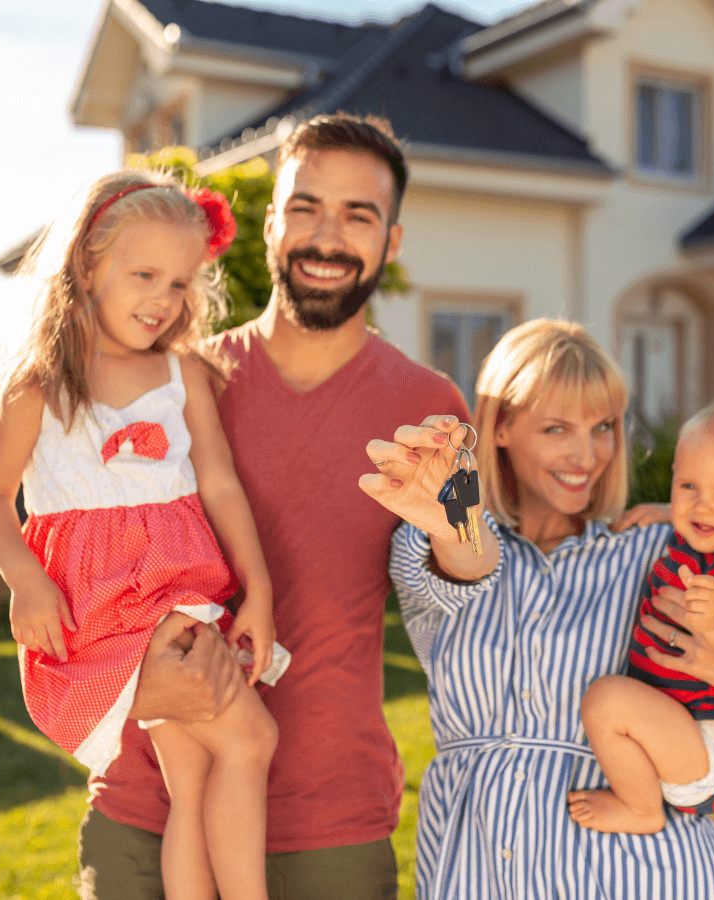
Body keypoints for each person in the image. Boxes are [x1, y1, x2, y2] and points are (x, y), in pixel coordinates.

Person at [75, 114, 469, 900]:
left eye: (359, 215)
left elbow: (467, 592)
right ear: (269, 226)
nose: (328, 236)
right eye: (306, 207)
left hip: (329, 830)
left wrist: (463, 526)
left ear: (391, 243)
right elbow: (74, 569)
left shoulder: (432, 408)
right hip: (149, 814)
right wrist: (126, 682)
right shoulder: (170, 383)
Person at [360, 319, 714, 900]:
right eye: (555, 427)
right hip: (479, 869)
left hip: (646, 876)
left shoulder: (659, 552)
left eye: (603, 427)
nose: (586, 453)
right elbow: (470, 556)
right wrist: (456, 511)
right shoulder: (439, 542)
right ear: (501, 428)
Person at [0, 169, 291, 900]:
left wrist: (261, 589)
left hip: (179, 589)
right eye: (144, 273)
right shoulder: (40, 382)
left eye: (179, 284)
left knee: (195, 775)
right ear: (87, 265)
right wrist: (25, 579)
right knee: (252, 738)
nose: (162, 299)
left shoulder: (182, 373)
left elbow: (220, 485)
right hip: (110, 603)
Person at [568, 396, 714, 834]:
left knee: (607, 699)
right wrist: (666, 513)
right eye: (689, 487)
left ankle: (641, 811)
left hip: (706, 740)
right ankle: (641, 799)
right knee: (609, 704)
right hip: (677, 729)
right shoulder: (696, 544)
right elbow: (693, 514)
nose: (703, 507)